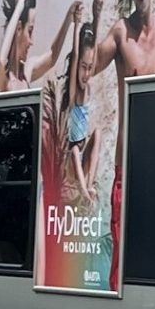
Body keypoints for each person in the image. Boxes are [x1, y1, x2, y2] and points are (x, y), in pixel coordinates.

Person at [90, 0, 155, 290]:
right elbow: (90, 64)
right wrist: (95, 18)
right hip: (128, 164)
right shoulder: (122, 31)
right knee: (122, 261)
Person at [0, 0, 81, 93]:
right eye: (30, 31)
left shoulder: (27, 70)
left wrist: (68, 18)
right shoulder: (4, 80)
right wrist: (19, 8)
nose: (32, 42)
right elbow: (1, 61)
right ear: (18, 29)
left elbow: (52, 56)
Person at [64, 19, 101, 206]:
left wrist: (99, 13)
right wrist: (76, 25)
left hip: (82, 154)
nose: (86, 74)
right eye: (82, 68)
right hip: (72, 160)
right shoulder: (74, 93)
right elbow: (77, 54)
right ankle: (85, 193)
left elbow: (93, 53)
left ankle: (89, 184)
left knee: (98, 133)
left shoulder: (88, 87)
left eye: (89, 68)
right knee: (75, 150)